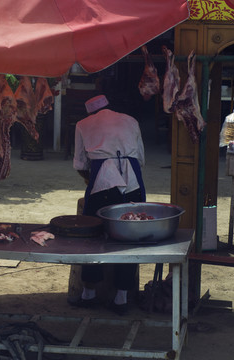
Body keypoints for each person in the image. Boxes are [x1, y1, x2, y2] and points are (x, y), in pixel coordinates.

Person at [70, 94, 146, 315]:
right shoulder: (131, 121)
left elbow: (80, 162)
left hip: (102, 184)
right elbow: (140, 158)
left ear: (90, 112)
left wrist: (93, 177)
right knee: (130, 237)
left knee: (92, 236)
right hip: (133, 183)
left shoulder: (83, 124)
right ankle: (121, 297)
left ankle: (89, 294)